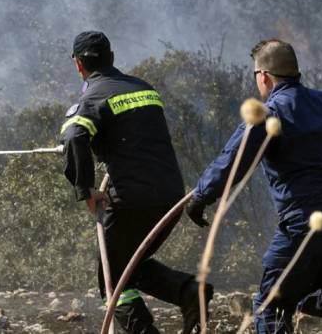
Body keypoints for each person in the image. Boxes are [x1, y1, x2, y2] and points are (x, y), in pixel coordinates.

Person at [185, 39, 322, 334]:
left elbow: (232, 161)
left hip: (306, 224)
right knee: (309, 294)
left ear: (263, 76)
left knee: (270, 305)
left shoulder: (269, 113)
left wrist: (200, 197)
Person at [59, 31, 211, 334]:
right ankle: (188, 292)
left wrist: (85, 189)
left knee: (111, 279)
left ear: (78, 65)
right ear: (111, 58)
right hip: (170, 196)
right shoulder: (144, 88)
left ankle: (146, 328)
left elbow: (74, 136)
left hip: (130, 198)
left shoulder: (93, 96)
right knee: (130, 265)